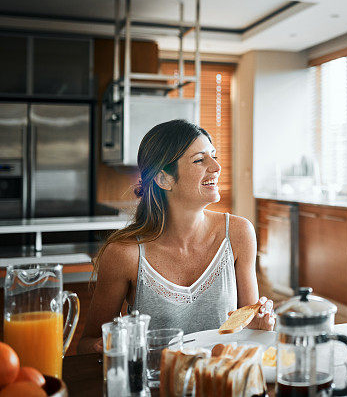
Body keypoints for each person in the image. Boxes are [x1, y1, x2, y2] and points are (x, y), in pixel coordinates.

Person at [79, 119, 274, 353]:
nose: (216, 167)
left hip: (220, 381)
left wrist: (260, 327)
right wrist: (110, 347)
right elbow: (88, 343)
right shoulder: (125, 254)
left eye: (214, 156)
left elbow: (248, 328)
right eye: (200, 160)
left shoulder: (239, 234)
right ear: (164, 179)